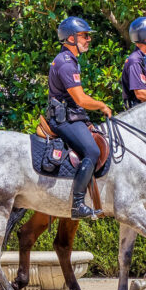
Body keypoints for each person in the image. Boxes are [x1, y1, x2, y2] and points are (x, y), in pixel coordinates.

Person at [47, 16, 113, 219]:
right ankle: (77, 205)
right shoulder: (65, 62)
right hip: (64, 119)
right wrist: (102, 105)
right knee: (92, 151)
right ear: (71, 38)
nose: (88, 39)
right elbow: (80, 99)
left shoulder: (71, 60)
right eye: (84, 36)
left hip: (73, 116)